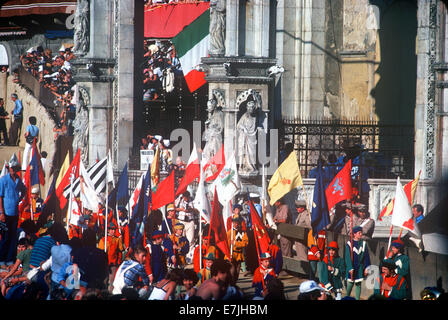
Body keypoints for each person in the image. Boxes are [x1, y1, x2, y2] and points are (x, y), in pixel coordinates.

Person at [0, 156, 27, 265]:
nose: (12, 170)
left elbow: (24, 190)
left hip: (15, 213)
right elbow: (0, 196)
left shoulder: (19, 181)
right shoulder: (3, 180)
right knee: (5, 237)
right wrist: (1, 212)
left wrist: (19, 199)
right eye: (11, 168)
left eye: (14, 168)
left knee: (12, 237)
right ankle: (2, 258)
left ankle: (10, 259)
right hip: (5, 213)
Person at [345, 226, 371, 300]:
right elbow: (347, 257)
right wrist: (350, 268)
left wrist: (366, 268)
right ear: (354, 234)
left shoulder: (363, 244)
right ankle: (347, 297)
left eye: (361, 232)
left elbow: (366, 257)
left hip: (359, 268)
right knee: (350, 284)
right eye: (359, 233)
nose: (360, 234)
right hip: (352, 267)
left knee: (358, 284)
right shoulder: (350, 243)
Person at [98, 222, 124, 292]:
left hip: (113, 264)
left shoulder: (117, 239)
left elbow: (121, 250)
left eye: (114, 229)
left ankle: (110, 295)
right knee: (104, 280)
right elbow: (100, 252)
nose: (113, 231)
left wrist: (121, 240)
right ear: (108, 230)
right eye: (112, 229)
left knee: (112, 281)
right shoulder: (103, 240)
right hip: (105, 264)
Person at [227, 217, 248, 282]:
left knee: (237, 271)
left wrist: (236, 243)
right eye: (234, 222)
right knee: (232, 271)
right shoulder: (229, 232)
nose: (235, 224)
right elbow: (226, 243)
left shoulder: (243, 233)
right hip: (232, 254)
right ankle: (231, 284)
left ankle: (234, 284)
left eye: (237, 223)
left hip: (239, 254)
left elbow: (245, 243)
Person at [175, 191, 195, 256]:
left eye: (187, 198)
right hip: (182, 221)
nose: (186, 199)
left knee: (190, 239)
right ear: (183, 196)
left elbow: (197, 210)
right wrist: (181, 209)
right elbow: (174, 208)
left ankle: (189, 255)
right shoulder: (179, 199)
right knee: (181, 238)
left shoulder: (192, 199)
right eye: (185, 198)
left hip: (190, 221)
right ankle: (181, 254)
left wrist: (190, 209)